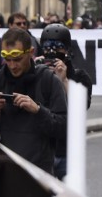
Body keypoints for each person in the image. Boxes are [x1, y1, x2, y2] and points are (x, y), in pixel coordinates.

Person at [0, 29, 67, 174]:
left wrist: (37, 110)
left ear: (31, 52)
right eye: (7, 59)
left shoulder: (48, 79)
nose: (12, 65)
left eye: (17, 59)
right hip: (7, 168)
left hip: (39, 171)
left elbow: (63, 127)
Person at [39, 23, 93, 179]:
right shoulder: (39, 73)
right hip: (43, 149)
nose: (52, 51)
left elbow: (82, 106)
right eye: (48, 46)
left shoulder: (80, 77)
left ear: (67, 50)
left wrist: (64, 81)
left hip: (68, 149)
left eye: (58, 46)